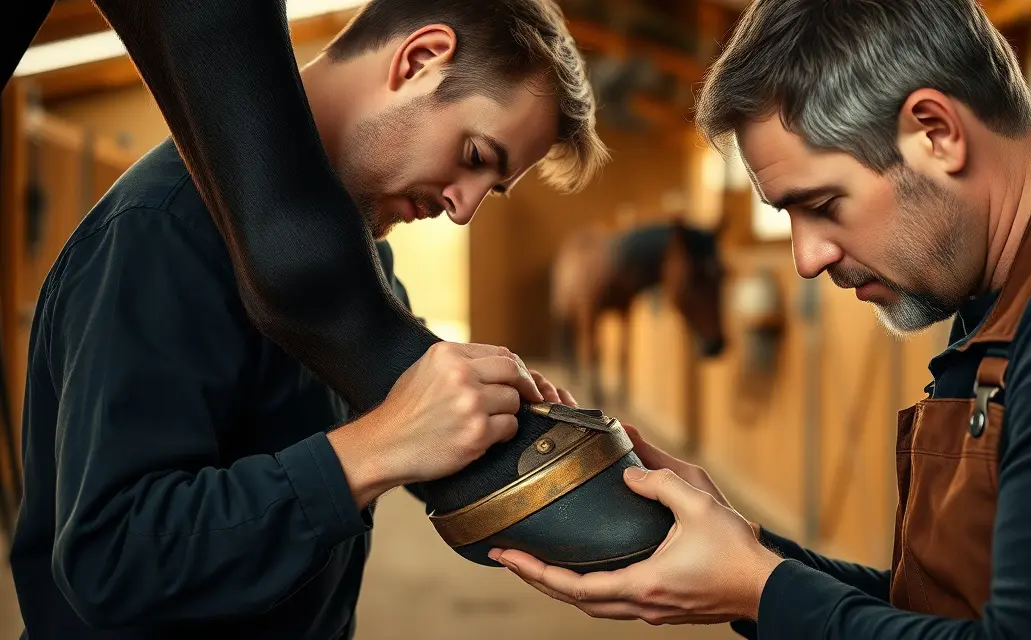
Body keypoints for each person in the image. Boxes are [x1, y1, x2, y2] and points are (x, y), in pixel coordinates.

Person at [491, 0, 1031, 637]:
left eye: (823, 205)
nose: (806, 258)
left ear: (936, 132)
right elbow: (947, 614)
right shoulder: (1015, 284)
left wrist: (763, 589)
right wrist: (746, 556)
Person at [9, 1, 604, 637]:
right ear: (420, 59)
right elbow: (114, 559)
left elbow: (420, 420)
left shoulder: (364, 258)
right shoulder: (160, 235)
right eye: (475, 155)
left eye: (493, 185)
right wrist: (375, 451)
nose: (464, 210)